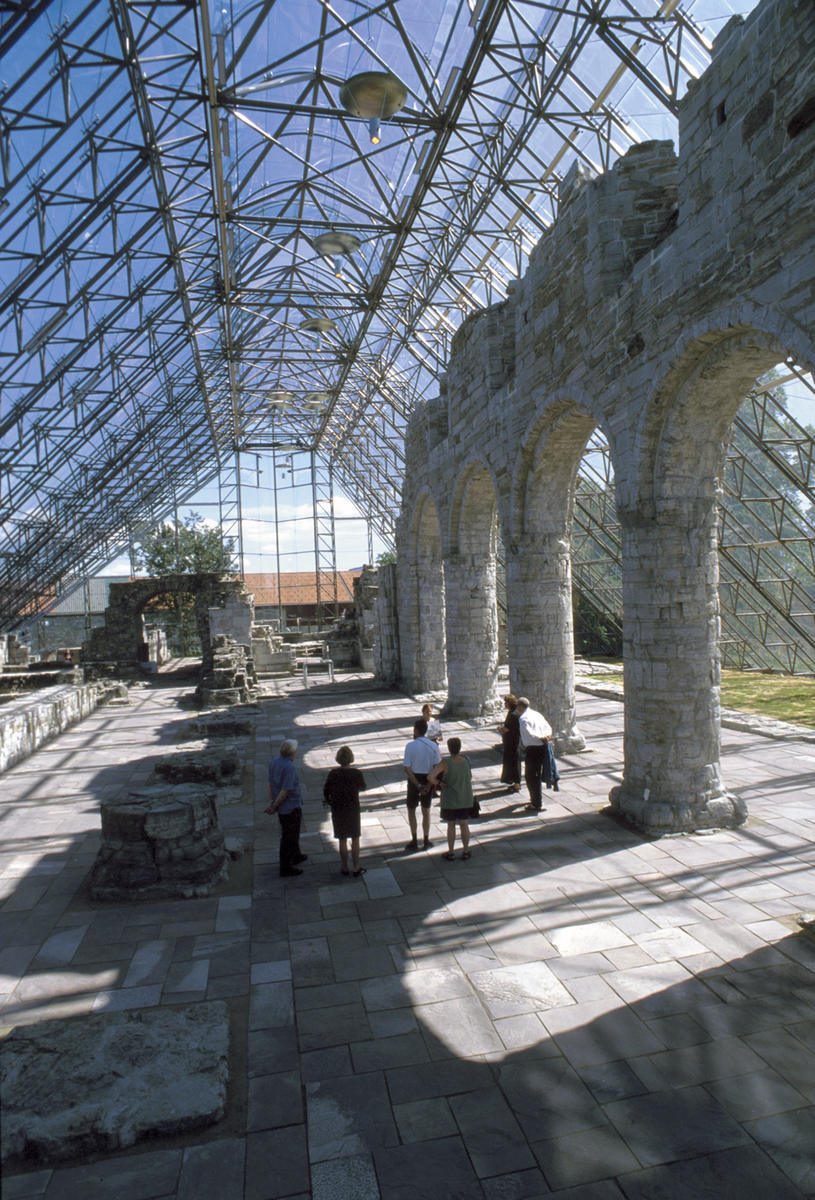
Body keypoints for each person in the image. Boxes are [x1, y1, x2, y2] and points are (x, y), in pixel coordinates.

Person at [323, 745, 368, 877]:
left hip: (338, 808)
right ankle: (356, 867)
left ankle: (344, 866)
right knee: (355, 837)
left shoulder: (333, 773)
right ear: (351, 759)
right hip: (352, 807)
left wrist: (330, 801)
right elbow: (363, 787)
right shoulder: (356, 773)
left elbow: (326, 791)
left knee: (342, 838)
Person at [265, 738, 307, 876]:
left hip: (283, 806)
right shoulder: (289, 767)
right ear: (293, 753)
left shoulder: (275, 761)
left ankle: (296, 855)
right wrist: (275, 806)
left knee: (292, 833)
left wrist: (272, 802)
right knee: (289, 836)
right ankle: (285, 867)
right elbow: (285, 790)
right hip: (289, 806)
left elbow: (270, 783)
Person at [429, 737, 475, 860]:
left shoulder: (445, 763)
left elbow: (431, 777)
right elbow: (469, 776)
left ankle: (451, 852)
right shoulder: (466, 760)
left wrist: (440, 783)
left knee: (451, 825)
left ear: (449, 749)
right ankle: (466, 850)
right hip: (465, 797)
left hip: (450, 798)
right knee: (464, 824)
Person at [403, 717, 441, 851]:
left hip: (414, 779)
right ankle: (426, 839)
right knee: (426, 810)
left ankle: (414, 839)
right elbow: (437, 766)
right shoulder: (433, 746)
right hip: (428, 777)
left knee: (411, 809)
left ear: (415, 730)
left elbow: (407, 768)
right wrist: (429, 785)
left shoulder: (410, 745)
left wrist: (417, 785)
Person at [516, 697, 553, 813]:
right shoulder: (537, 714)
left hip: (533, 749)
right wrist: (547, 735)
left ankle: (536, 803)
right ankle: (536, 799)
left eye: (517, 706)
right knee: (536, 774)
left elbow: (529, 733)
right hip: (542, 747)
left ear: (521, 707)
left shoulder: (523, 718)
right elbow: (547, 727)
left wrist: (540, 737)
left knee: (531, 776)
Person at [499, 693, 521, 793]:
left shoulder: (513, 714)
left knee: (514, 763)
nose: (504, 704)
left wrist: (500, 729)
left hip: (512, 742)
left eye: (506, 702)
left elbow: (507, 729)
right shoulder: (514, 712)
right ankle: (514, 782)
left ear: (509, 703)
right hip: (513, 741)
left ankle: (517, 784)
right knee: (513, 762)